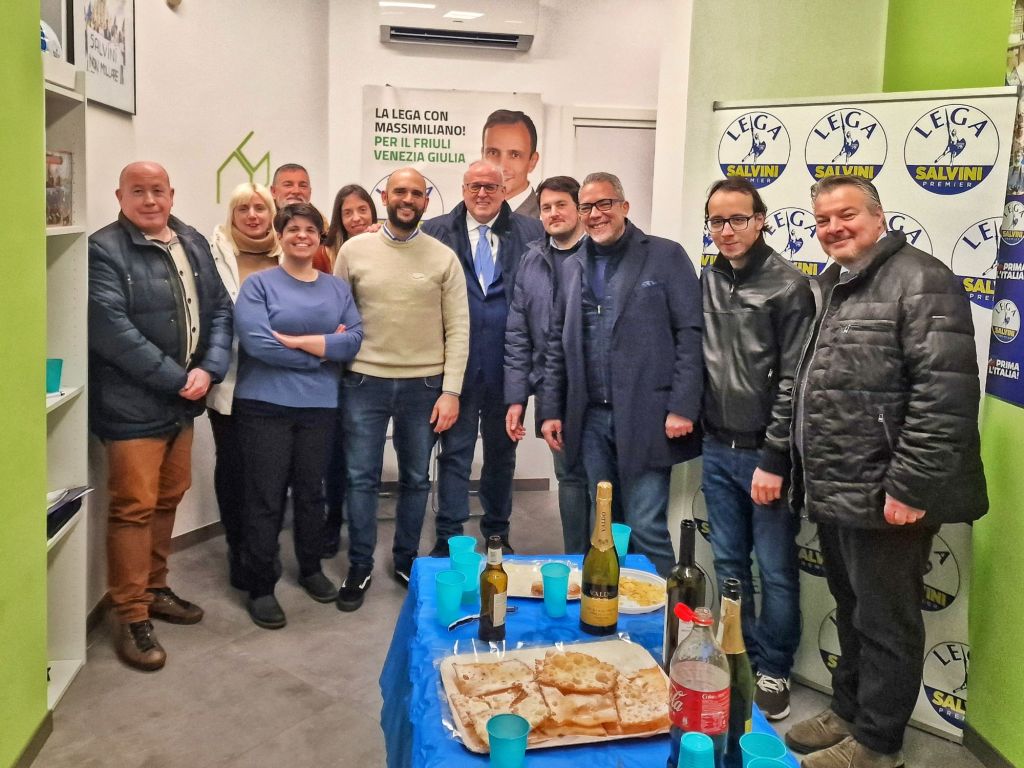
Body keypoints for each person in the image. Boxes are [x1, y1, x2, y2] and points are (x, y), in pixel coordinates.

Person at [785, 176, 987, 768]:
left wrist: (910, 486)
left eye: (847, 215)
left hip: (889, 493)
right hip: (842, 486)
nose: (834, 228)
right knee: (854, 613)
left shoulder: (922, 280)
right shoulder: (834, 284)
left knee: (886, 624)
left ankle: (878, 746)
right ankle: (850, 711)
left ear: (879, 217)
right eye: (823, 220)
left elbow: (944, 397)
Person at [89, 161, 232, 671]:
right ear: (120, 196)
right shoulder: (103, 250)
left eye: (157, 190)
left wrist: (210, 367)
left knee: (169, 496)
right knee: (133, 507)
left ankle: (153, 588)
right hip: (131, 407)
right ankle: (130, 614)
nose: (149, 200)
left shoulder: (190, 240)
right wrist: (178, 378)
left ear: (171, 193)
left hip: (181, 403)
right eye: (138, 191)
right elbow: (111, 330)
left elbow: (220, 309)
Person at [538, 172, 702, 576]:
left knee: (645, 526)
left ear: (625, 207)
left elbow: (691, 333)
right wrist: (550, 409)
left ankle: (663, 613)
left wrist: (683, 405)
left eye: (605, 204)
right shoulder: (572, 266)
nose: (595, 214)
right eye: (587, 207)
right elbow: (557, 344)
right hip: (590, 420)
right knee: (603, 527)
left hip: (648, 416)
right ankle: (608, 605)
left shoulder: (665, 256)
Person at [700, 176, 814, 720]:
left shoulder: (788, 286)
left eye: (738, 219)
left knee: (775, 569)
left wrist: (774, 457)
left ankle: (774, 668)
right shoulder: (708, 277)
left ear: (761, 220)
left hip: (764, 455)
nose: (727, 230)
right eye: (717, 221)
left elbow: (794, 380)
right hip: (716, 447)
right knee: (727, 562)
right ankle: (736, 654)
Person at [332, 168, 469, 610]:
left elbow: (459, 329)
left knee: (415, 479)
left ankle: (406, 559)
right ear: (385, 197)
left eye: (416, 193)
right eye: (399, 192)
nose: (407, 199)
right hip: (363, 382)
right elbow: (336, 316)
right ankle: (360, 565)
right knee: (360, 478)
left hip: (424, 386)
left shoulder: (443, 258)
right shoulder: (353, 251)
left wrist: (451, 391)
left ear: (426, 200)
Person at [234, 203, 363, 629]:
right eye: (293, 229)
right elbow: (257, 343)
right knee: (265, 497)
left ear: (320, 238)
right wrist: (321, 352)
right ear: (280, 235)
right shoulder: (258, 285)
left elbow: (353, 340)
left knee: (311, 494)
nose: (302, 236)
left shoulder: (336, 289)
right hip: (264, 405)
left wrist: (296, 341)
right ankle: (260, 586)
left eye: (310, 229)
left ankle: (310, 568)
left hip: (319, 406)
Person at [421, 161, 544, 555]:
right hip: (455, 368)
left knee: (501, 455)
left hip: (508, 367)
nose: (482, 194)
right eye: (474, 186)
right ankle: (449, 536)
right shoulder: (435, 231)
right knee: (455, 454)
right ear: (463, 189)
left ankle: (496, 533)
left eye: (491, 186)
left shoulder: (532, 232)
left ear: (505, 191)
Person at [504, 175, 591, 553]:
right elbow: (518, 333)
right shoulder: (532, 259)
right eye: (546, 207)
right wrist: (516, 397)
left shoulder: (599, 255)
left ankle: (610, 568)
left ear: (580, 209)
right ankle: (577, 560)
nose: (553, 213)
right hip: (552, 391)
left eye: (561, 205)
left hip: (598, 392)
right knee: (568, 478)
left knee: (604, 483)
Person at [206, 182, 282, 590]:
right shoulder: (213, 254)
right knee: (235, 471)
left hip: (278, 382)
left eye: (260, 208)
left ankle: (264, 550)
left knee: (270, 474)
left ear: (272, 213)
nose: (252, 215)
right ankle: (238, 549)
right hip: (231, 382)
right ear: (231, 215)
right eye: (243, 209)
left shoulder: (287, 251)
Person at [321, 183, 381, 558]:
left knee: (359, 453)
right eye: (348, 212)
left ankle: (356, 523)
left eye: (362, 209)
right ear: (338, 218)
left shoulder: (383, 243)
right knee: (335, 452)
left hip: (370, 362)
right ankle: (332, 520)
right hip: (332, 365)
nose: (356, 218)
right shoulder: (325, 253)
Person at [269, 163, 333, 273]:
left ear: (310, 192)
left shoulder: (326, 233)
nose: (296, 191)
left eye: (302, 186)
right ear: (273, 191)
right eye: (288, 185)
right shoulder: (258, 232)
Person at [482, 109, 541, 217]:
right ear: (483, 155)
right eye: (493, 153)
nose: (501, 167)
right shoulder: (463, 215)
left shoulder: (545, 222)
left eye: (515, 155)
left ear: (532, 162)